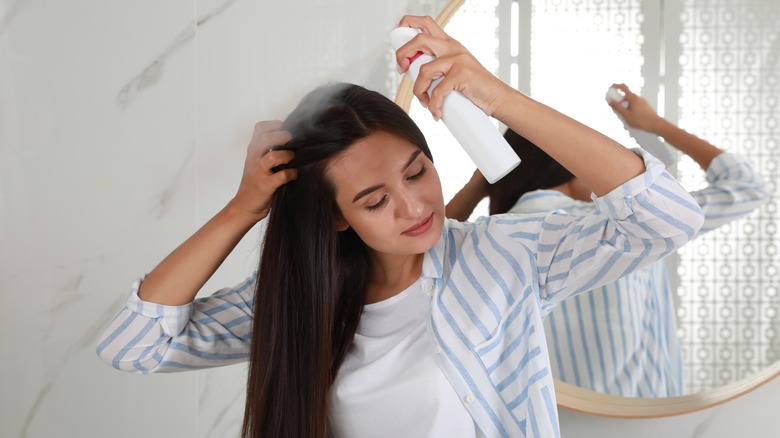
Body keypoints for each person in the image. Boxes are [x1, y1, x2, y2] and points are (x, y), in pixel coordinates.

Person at [96, 16, 705, 438]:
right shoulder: (299, 298)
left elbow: (668, 218)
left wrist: (496, 97)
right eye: (374, 199)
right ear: (336, 215)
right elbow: (134, 345)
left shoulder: (501, 257)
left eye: (417, 172)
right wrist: (245, 207)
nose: (414, 207)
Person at [446, 83, 772, 398]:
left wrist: (481, 180)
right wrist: (654, 125)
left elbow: (427, 257)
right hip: (654, 421)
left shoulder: (493, 238)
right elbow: (747, 187)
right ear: (569, 161)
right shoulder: (638, 218)